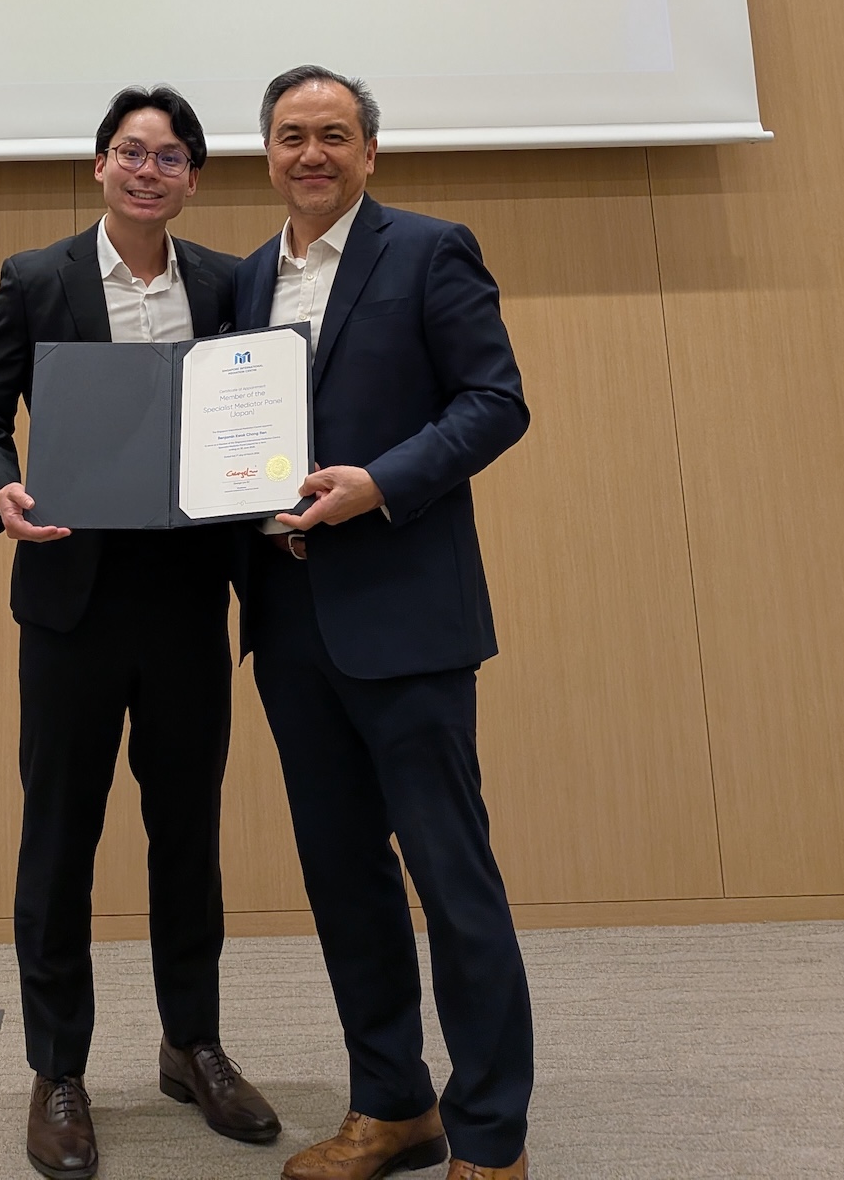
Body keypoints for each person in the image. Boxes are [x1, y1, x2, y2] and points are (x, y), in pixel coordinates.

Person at [0, 85, 280, 1180]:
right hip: (72, 603)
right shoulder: (37, 277)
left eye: (171, 156)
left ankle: (193, 1045)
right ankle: (57, 1070)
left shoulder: (229, 284)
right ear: (100, 165)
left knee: (188, 833)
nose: (150, 170)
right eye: (132, 152)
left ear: (193, 179)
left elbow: (257, 415)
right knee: (61, 838)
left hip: (188, 597)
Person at [236, 65, 533, 1180]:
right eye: (290, 135)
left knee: (452, 878)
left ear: (369, 151)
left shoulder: (430, 249)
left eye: (333, 134)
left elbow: (495, 401)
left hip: (407, 618)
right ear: (268, 153)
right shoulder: (248, 278)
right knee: (343, 877)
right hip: (288, 622)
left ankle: (491, 1134)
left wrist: (381, 484)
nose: (310, 153)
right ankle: (393, 1104)